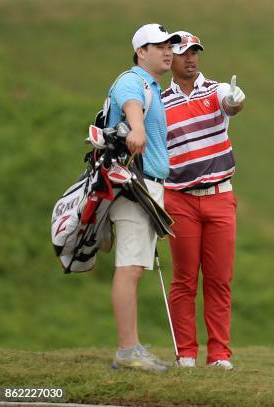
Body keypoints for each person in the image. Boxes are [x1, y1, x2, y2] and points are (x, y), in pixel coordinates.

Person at [161, 30, 246, 369]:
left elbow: (232, 103)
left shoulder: (216, 91)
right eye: (184, 53)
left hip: (220, 197)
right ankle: (186, 354)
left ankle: (219, 355)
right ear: (171, 60)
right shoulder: (159, 101)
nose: (191, 58)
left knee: (218, 279)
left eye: (195, 52)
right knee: (184, 279)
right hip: (179, 199)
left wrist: (235, 101)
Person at [108, 23, 181, 372]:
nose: (167, 51)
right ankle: (127, 351)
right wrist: (136, 127)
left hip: (148, 186)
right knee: (130, 268)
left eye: (169, 46)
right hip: (134, 186)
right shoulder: (133, 80)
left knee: (135, 266)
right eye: (159, 46)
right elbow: (130, 104)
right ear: (141, 52)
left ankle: (131, 347)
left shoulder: (152, 86)